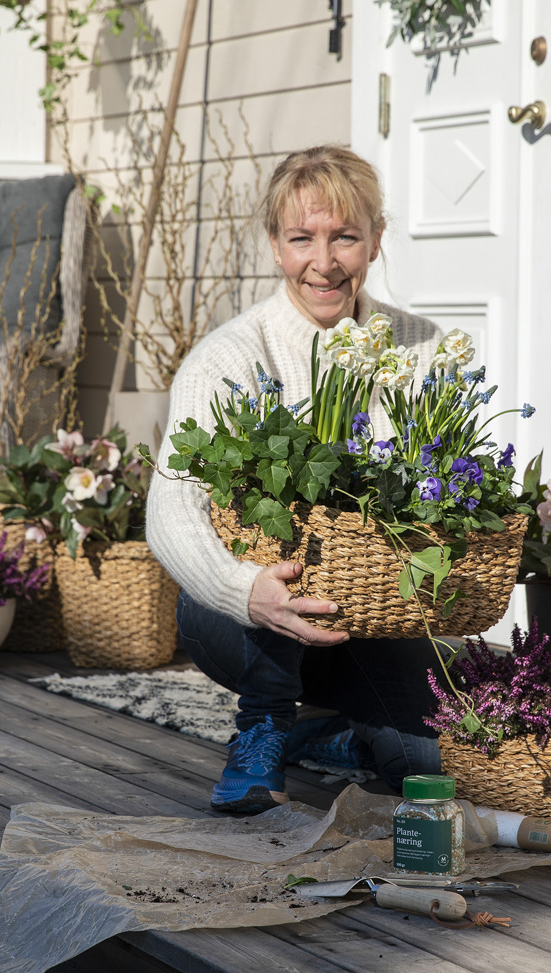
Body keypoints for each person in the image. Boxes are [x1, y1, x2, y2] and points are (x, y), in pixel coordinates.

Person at [144, 145, 447, 813]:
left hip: (372, 616)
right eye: (301, 238)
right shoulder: (230, 357)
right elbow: (169, 509)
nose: (324, 260)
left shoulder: (420, 345)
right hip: (246, 622)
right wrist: (242, 588)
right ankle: (265, 724)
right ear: (276, 247)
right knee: (269, 556)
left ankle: (327, 736)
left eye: (345, 236)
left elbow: (447, 488)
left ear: (375, 239)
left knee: (425, 762)